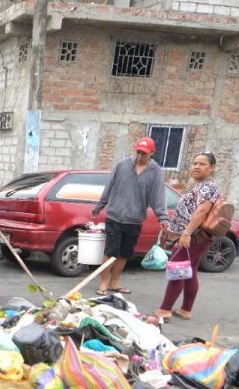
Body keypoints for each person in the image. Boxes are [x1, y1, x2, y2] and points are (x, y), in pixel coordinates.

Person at [91, 137, 169, 296]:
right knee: (111, 251)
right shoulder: (122, 165)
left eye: (144, 153)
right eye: (138, 152)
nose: (140, 156)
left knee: (125, 253)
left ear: (152, 153)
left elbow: (158, 197)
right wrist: (99, 206)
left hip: (134, 220)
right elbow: (109, 187)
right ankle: (104, 282)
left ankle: (114, 283)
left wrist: (163, 217)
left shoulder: (155, 172)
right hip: (114, 216)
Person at [156, 152, 221, 321]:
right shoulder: (201, 186)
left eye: (203, 164)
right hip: (197, 236)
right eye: (195, 163)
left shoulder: (208, 186)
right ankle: (185, 309)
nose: (197, 167)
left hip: (194, 236)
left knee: (178, 269)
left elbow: (202, 210)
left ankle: (165, 309)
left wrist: (186, 233)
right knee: (189, 271)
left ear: (212, 168)